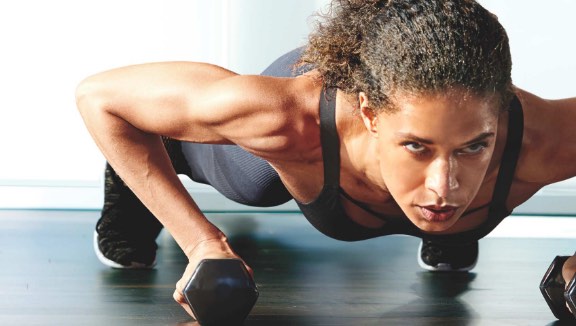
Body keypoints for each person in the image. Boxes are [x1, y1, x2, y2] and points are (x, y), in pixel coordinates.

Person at [76, 0, 576, 318]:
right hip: (317, 123)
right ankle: (163, 158)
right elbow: (101, 97)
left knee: (447, 208)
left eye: (474, 147)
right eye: (416, 146)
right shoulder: (289, 122)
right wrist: (201, 241)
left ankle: (443, 225)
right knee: (250, 181)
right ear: (370, 114)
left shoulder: (541, 141)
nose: (445, 185)